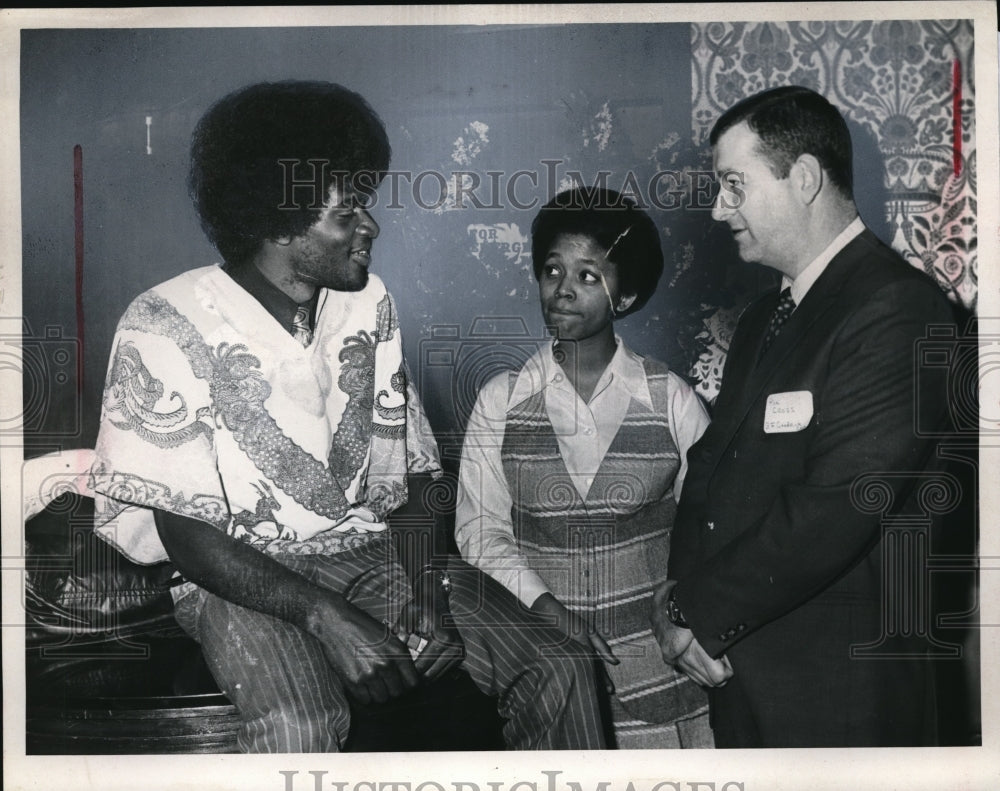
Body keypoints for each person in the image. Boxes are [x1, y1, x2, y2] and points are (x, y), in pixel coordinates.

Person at [90, 80, 605, 752]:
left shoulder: (371, 304)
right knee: (301, 727)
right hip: (239, 578)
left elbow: (416, 468)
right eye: (347, 212)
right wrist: (325, 616)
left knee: (560, 663)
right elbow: (183, 529)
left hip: (373, 555)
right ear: (279, 219)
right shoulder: (161, 319)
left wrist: (426, 586)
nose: (372, 225)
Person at [655, 85, 955, 747]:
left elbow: (836, 505)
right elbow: (709, 465)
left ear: (807, 178)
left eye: (734, 184)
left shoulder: (896, 307)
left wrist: (690, 609)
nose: (716, 208)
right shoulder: (767, 314)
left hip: (837, 693)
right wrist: (677, 589)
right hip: (740, 671)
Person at [456, 187, 714, 748]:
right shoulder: (501, 400)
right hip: (549, 686)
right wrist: (549, 610)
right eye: (552, 270)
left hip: (666, 689)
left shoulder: (671, 400)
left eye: (589, 275)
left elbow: (714, 528)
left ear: (626, 295)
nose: (563, 290)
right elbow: (480, 532)